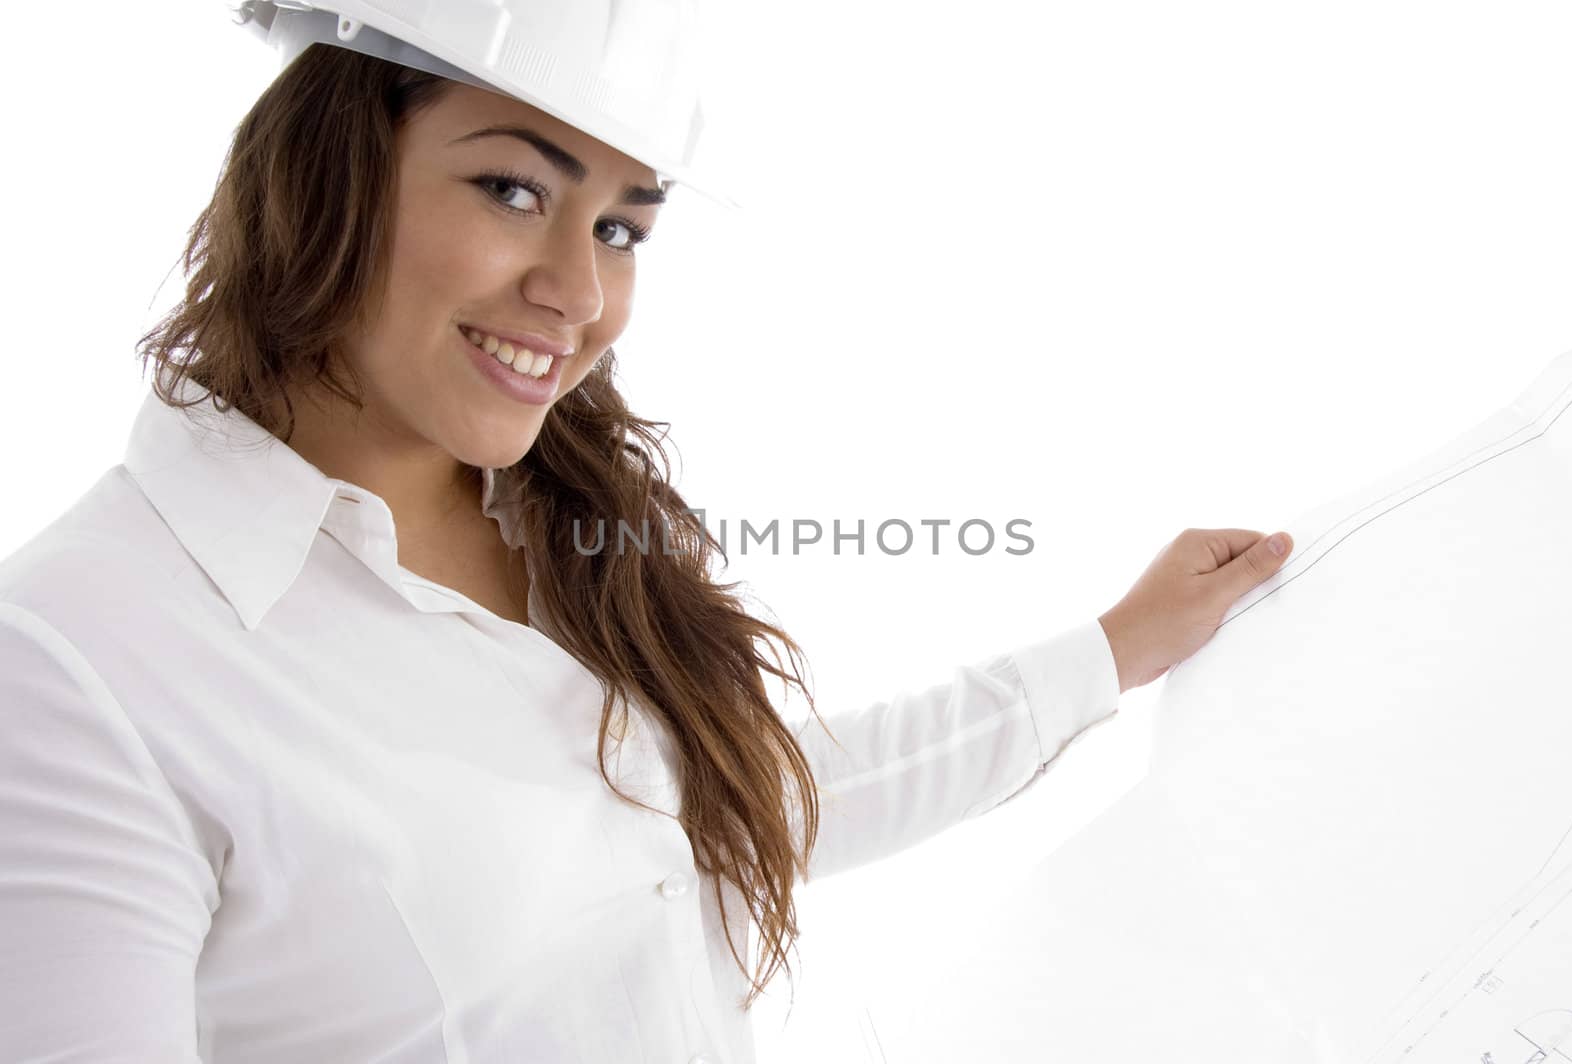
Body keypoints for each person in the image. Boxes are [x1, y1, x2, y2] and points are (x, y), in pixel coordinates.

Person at [0, 4, 1293, 1061]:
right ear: (318, 176)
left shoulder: (553, 518)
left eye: (622, 227)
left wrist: (1109, 652)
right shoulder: (74, 663)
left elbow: (713, 811)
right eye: (511, 187)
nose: (580, 293)